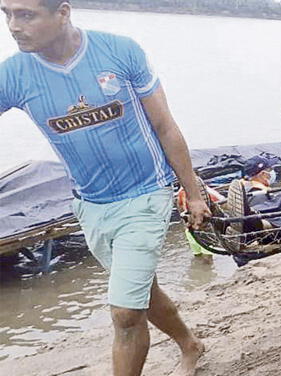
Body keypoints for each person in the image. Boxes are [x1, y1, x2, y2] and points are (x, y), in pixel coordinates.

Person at [0, 1, 209, 375]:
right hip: (90, 204)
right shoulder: (14, 74)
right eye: (6, 14)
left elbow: (165, 126)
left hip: (146, 193)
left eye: (26, 14)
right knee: (141, 291)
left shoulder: (120, 51)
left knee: (126, 312)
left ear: (62, 13)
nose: (13, 26)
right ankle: (190, 344)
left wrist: (193, 193)